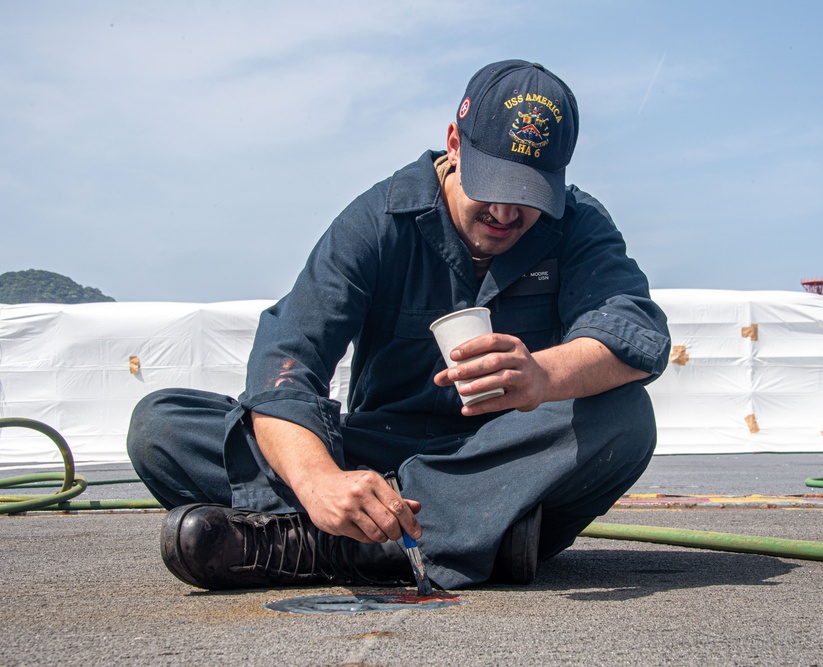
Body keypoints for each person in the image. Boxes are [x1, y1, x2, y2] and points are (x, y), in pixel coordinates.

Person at [127, 60, 671, 591]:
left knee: (625, 416)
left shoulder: (578, 224)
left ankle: (321, 545)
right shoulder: (377, 222)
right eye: (494, 185)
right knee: (163, 425)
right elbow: (285, 366)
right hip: (380, 452)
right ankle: (459, 539)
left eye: (528, 195)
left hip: (504, 461)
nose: (505, 214)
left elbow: (635, 335)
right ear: (454, 144)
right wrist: (320, 480)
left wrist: (543, 376)